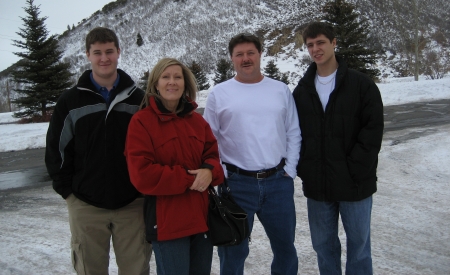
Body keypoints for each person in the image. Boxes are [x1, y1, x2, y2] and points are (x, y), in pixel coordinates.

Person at [45, 27, 152, 275]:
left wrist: (144, 189)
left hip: (132, 204)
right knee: (89, 270)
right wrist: (68, 193)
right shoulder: (70, 101)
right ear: (88, 55)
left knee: (136, 270)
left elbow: (151, 147)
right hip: (85, 205)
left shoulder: (139, 99)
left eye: (109, 51)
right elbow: (57, 149)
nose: (104, 58)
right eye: (97, 52)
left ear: (118, 53)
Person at [203, 33, 301, 275]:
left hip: (278, 183)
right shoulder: (219, 93)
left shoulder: (280, 90)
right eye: (239, 54)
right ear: (232, 59)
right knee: (233, 251)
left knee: (285, 249)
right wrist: (223, 173)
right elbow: (209, 139)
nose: (245, 58)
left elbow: (293, 132)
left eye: (250, 53)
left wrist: (290, 168)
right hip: (236, 186)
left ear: (259, 54)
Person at [292, 22, 384, 274]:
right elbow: (295, 134)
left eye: (320, 42)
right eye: (310, 45)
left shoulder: (361, 85)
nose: (315, 49)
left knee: (359, 246)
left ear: (334, 43)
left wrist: (355, 168)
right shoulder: (302, 91)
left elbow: (372, 130)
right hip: (318, 185)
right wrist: (306, 169)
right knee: (323, 246)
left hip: (355, 184)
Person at [124, 58, 224, 275]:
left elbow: (214, 157)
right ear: (155, 84)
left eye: (177, 77)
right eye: (166, 77)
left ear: (185, 83)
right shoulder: (142, 122)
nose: (172, 82)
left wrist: (209, 171)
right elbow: (142, 174)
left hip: (202, 221)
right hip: (168, 225)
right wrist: (192, 179)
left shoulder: (197, 121)